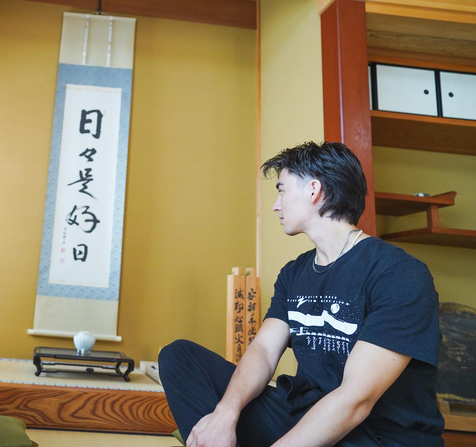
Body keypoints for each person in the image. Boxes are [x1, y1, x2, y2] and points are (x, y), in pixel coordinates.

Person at [159, 142, 444, 447]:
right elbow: (264, 352)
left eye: (282, 190)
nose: (276, 205)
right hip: (306, 416)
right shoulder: (295, 272)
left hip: (375, 436)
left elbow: (356, 400)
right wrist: (225, 414)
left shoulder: (398, 273)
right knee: (180, 356)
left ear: (313, 190)